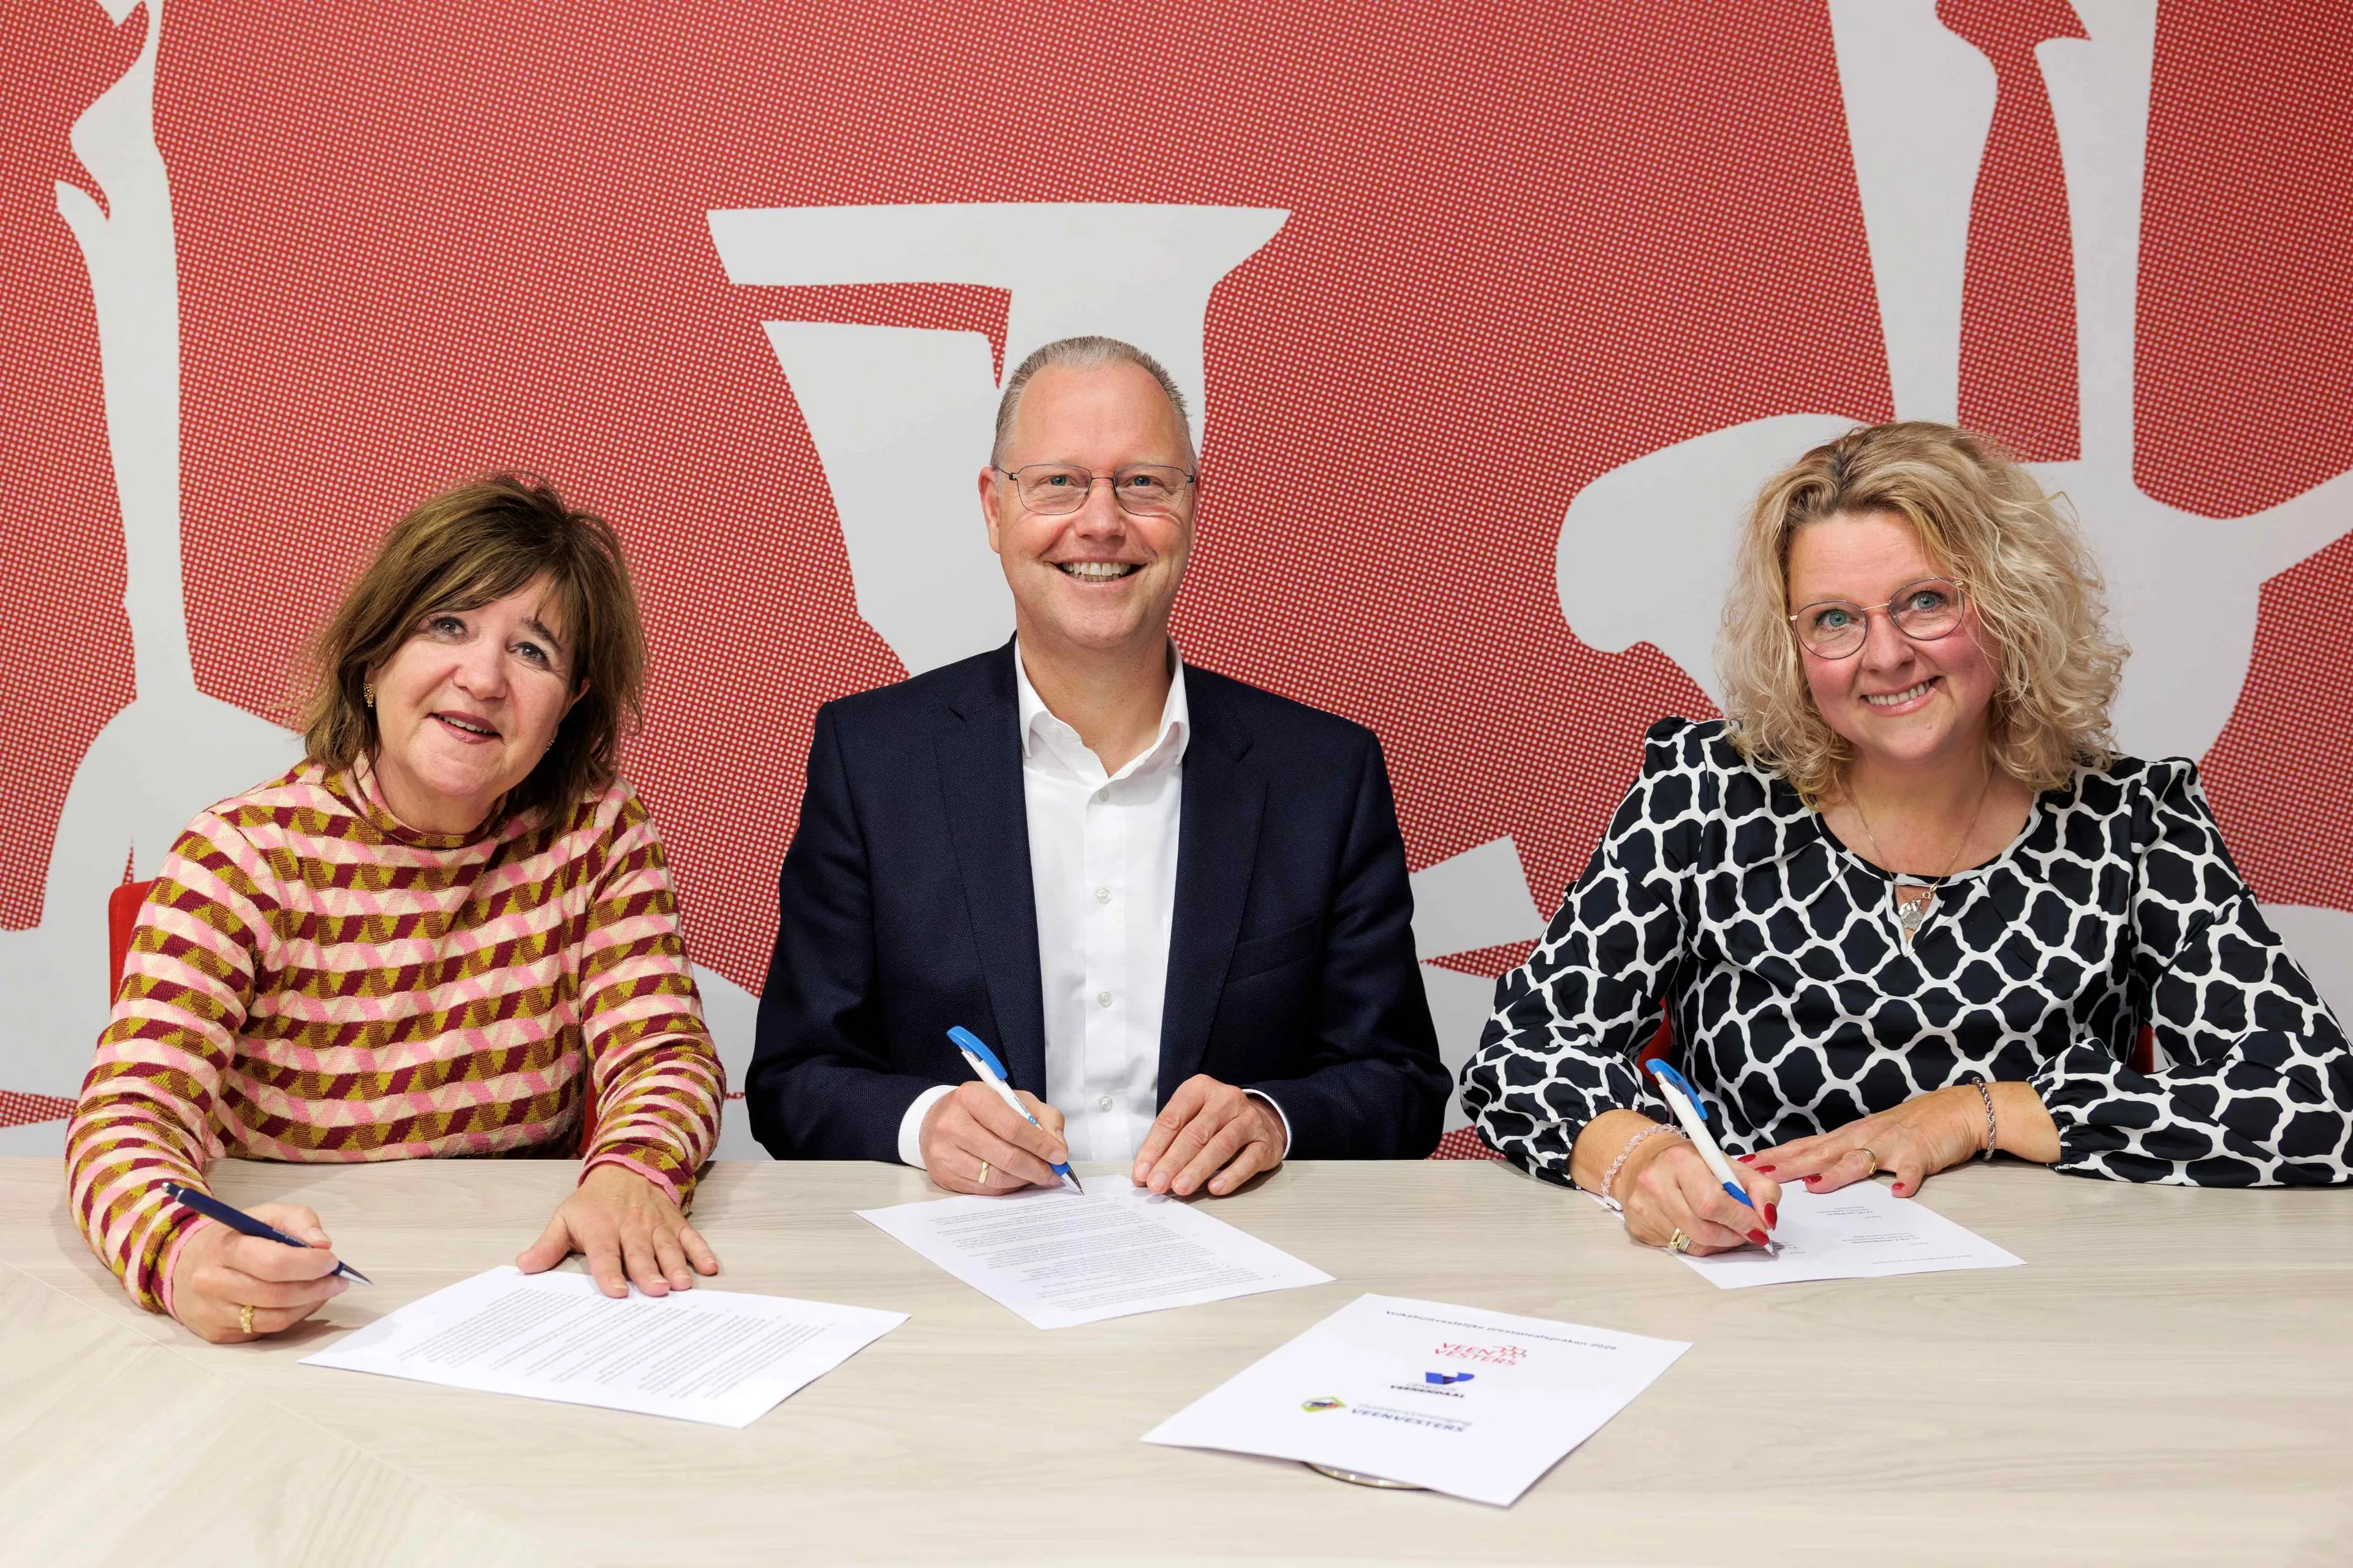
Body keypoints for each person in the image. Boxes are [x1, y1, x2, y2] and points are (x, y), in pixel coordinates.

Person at [1463, 422, 2353, 1256]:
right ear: (1794, 643)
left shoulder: (2133, 822)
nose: (1884, 654)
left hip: (2054, 1296)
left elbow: (2318, 1103)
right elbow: (1520, 1052)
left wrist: (1981, 1112)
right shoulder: (1707, 790)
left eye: (1925, 601)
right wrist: (1640, 1160)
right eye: (1835, 619)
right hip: (1747, 1279)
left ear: (2010, 605)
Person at [747, 335, 1446, 1195]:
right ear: (994, 507)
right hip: (964, 1280)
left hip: (1244, 1276)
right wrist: (924, 1121)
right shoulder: (873, 760)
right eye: (1059, 482)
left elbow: (1404, 1086)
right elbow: (790, 1079)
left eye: (1143, 482)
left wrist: (1271, 1118)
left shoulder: (1324, 776)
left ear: (1195, 506)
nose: (1103, 520)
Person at [66, 475, 726, 1341]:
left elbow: (665, 1058)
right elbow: (126, 1114)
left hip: (530, 1295)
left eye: (533, 651)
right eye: (446, 625)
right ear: (373, 657)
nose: (484, 676)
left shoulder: (600, 833)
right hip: (304, 1298)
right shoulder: (242, 854)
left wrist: (631, 1171)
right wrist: (183, 1252)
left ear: (570, 704)